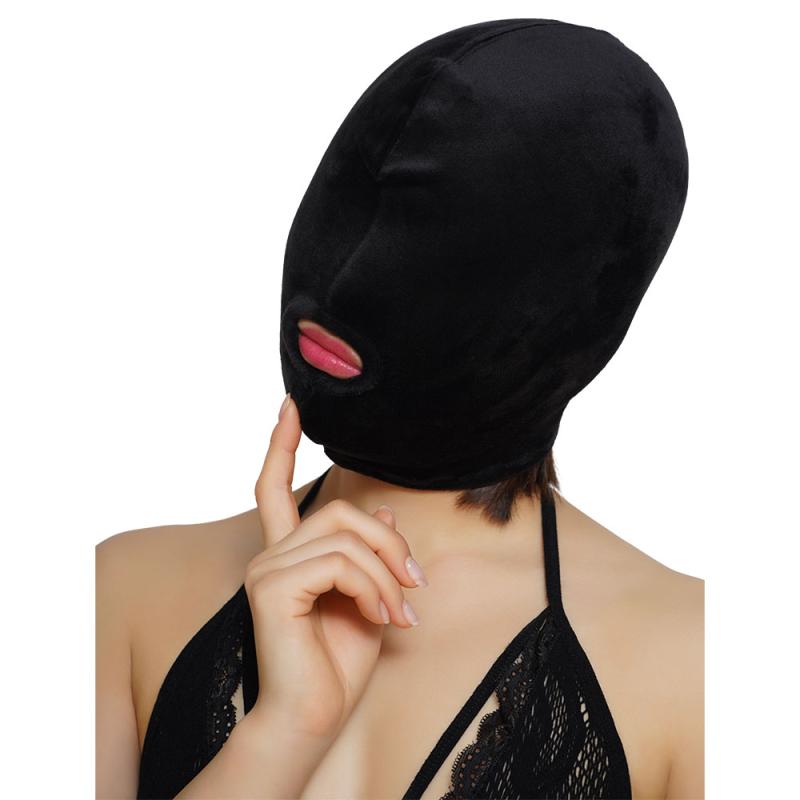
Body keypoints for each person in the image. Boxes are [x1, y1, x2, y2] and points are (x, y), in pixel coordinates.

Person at [96, 18, 704, 800]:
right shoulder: (119, 590)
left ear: (577, 303)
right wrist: (285, 731)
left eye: (434, 237)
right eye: (351, 200)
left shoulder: (694, 667)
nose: (346, 278)